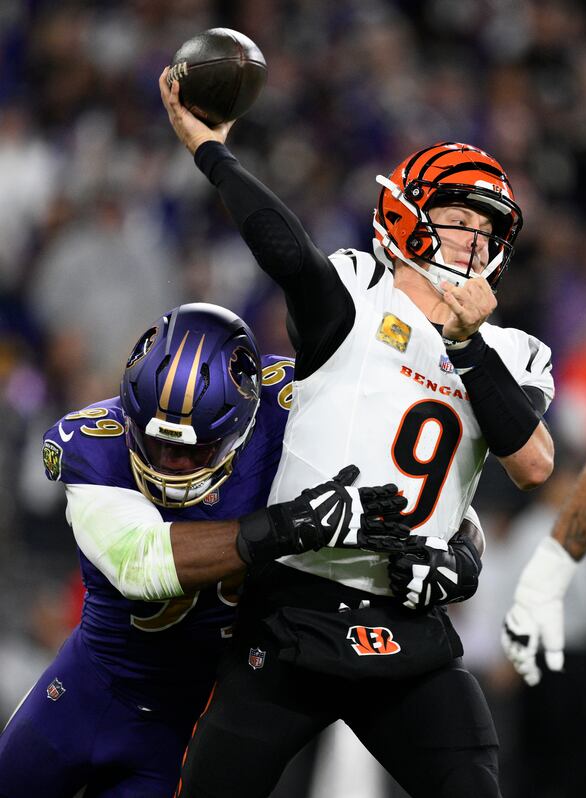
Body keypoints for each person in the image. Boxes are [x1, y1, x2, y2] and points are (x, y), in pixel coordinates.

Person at [160, 70, 555, 798]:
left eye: (487, 228)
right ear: (407, 215)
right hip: (292, 616)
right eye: (458, 219)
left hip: (408, 629)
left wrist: (466, 345)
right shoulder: (353, 295)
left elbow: (532, 462)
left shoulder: (514, 352)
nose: (475, 240)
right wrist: (215, 153)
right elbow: (286, 251)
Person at [0, 301, 410, 798]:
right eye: (158, 444)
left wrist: (459, 541)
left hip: (197, 721)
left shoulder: (292, 410)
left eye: (194, 449)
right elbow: (142, 562)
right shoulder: (92, 444)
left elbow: (407, 469)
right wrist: (290, 525)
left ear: (242, 423)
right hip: (91, 689)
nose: (173, 464)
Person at [502, 446, 586, 687]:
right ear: (552, 485)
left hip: (582, 649)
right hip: (545, 652)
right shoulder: (531, 531)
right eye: (569, 482)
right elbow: (513, 593)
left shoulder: (574, 527)